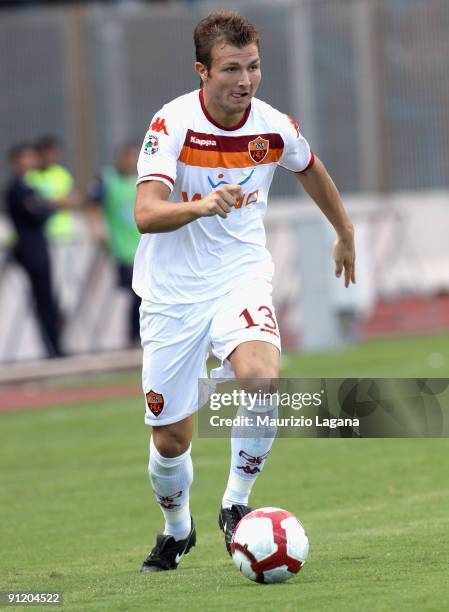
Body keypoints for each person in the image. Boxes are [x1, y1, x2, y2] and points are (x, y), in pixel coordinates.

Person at [133, 11, 356, 573]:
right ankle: (177, 529)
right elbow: (145, 213)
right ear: (202, 71)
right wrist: (201, 205)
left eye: (253, 67)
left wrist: (345, 231)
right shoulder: (172, 123)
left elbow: (309, 167)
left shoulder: (272, 126)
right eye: (231, 68)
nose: (246, 80)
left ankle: (236, 504)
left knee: (261, 376)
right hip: (173, 293)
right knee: (170, 441)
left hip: (239, 275)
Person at [4, 144, 66, 358]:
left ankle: (55, 346)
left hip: (40, 249)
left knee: (50, 301)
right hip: (31, 252)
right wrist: (52, 205)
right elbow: (37, 214)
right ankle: (53, 349)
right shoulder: (17, 189)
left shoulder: (30, 187)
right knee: (43, 301)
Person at [86, 143, 142, 346]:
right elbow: (92, 205)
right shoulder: (107, 179)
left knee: (143, 295)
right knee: (135, 293)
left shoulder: (143, 180)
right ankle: (132, 337)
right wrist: (97, 230)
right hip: (122, 249)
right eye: (128, 157)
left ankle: (137, 336)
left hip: (143, 248)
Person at [26, 135, 78, 242]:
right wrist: (58, 202)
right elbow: (29, 204)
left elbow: (73, 201)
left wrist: (46, 204)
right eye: (50, 153)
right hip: (37, 232)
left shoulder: (62, 174)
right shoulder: (29, 175)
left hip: (61, 233)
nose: (53, 157)